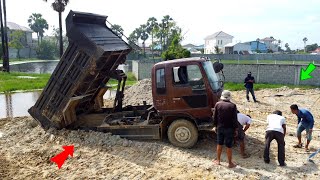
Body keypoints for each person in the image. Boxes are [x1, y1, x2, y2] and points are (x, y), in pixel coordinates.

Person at [213, 90, 238, 168]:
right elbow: (235, 119)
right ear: (229, 97)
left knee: (219, 144)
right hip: (229, 129)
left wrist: (215, 126)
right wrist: (236, 129)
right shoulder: (233, 106)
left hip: (220, 127)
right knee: (229, 146)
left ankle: (218, 160)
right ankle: (230, 163)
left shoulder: (217, 104)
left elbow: (215, 117)